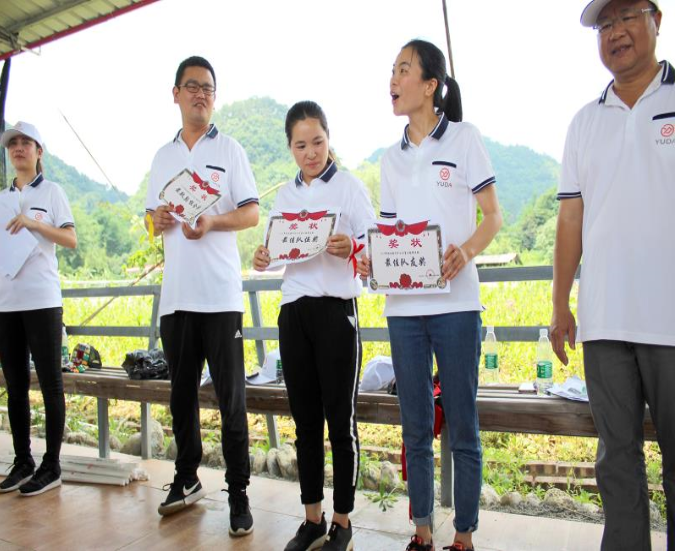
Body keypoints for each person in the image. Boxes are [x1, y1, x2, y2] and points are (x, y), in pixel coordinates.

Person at [358, 39, 502, 551]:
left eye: (404, 70)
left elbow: (493, 217)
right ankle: (421, 530)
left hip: (457, 307)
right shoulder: (389, 159)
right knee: (415, 426)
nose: (393, 80)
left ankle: (463, 536)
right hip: (403, 310)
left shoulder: (464, 138)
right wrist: (371, 261)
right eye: (392, 70)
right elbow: (389, 234)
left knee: (462, 425)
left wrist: (465, 251)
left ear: (430, 85)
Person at [551, 1, 674, 549]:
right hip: (604, 322)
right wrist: (560, 304)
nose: (615, 32)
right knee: (617, 462)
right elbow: (570, 219)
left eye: (626, 17)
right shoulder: (584, 122)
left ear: (656, 20)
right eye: (604, 24)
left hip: (671, 320)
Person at [253, 101, 375, 551]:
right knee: (305, 424)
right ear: (290, 147)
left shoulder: (349, 187)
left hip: (336, 312)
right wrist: (262, 257)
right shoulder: (286, 195)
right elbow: (275, 251)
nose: (311, 153)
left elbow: (377, 243)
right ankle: (312, 520)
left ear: (329, 138)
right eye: (301, 145)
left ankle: (342, 521)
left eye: (318, 142)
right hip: (294, 312)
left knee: (340, 423)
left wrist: (353, 248)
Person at [145, 56, 259, 536]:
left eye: (208, 88)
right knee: (181, 397)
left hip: (220, 297)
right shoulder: (163, 157)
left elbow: (251, 213)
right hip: (176, 299)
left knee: (231, 400)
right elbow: (151, 218)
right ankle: (186, 477)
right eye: (192, 86)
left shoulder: (230, 150)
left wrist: (212, 221)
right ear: (175, 94)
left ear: (215, 97)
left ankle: (238, 493)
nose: (200, 95)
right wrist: (157, 221)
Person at [0, 121, 77, 496]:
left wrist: (32, 224)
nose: (18, 148)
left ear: (38, 151)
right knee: (15, 385)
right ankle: (23, 461)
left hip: (43, 300)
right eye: (12, 143)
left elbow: (70, 238)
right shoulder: (1, 199)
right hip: (7, 302)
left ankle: (52, 465)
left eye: (26, 142)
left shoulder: (52, 192)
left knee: (50, 384)